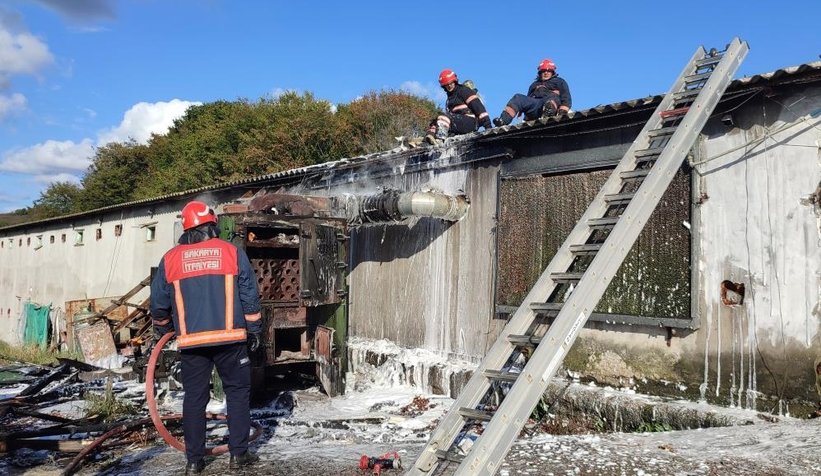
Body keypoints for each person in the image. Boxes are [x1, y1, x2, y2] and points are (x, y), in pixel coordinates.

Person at [150, 200, 263, 475]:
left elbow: (158, 303)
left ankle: (194, 461)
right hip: (231, 341)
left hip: (192, 344)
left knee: (194, 399)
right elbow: (249, 294)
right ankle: (238, 455)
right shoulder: (232, 252)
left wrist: (164, 329)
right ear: (212, 224)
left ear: (187, 228)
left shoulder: (171, 259)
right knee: (237, 395)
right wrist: (255, 330)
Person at [493, 58, 572, 127]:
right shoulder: (534, 85)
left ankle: (547, 115)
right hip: (535, 107)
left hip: (551, 104)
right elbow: (528, 101)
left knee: (552, 99)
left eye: (549, 71)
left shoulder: (559, 81)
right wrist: (525, 119)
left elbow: (566, 98)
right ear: (540, 73)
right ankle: (503, 120)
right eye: (543, 71)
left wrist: (562, 113)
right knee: (518, 97)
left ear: (552, 72)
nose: (546, 73)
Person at [424, 68, 493, 145]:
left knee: (444, 117)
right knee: (436, 120)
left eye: (451, 83)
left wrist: (488, 127)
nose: (449, 86)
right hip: (458, 122)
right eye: (447, 85)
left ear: (455, 81)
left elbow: (478, 108)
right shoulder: (450, 99)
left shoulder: (464, 91)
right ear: (444, 86)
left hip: (470, 122)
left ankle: (440, 139)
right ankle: (426, 140)